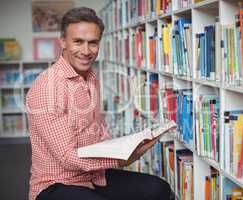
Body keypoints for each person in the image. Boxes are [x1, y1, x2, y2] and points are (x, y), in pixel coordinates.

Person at [26, 7, 171, 200]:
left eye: (93, 43)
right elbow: (67, 158)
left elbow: (99, 132)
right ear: (63, 42)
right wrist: (120, 160)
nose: (86, 51)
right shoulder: (47, 87)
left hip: (94, 175)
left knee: (158, 188)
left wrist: (129, 145)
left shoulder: (91, 79)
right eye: (78, 42)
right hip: (55, 184)